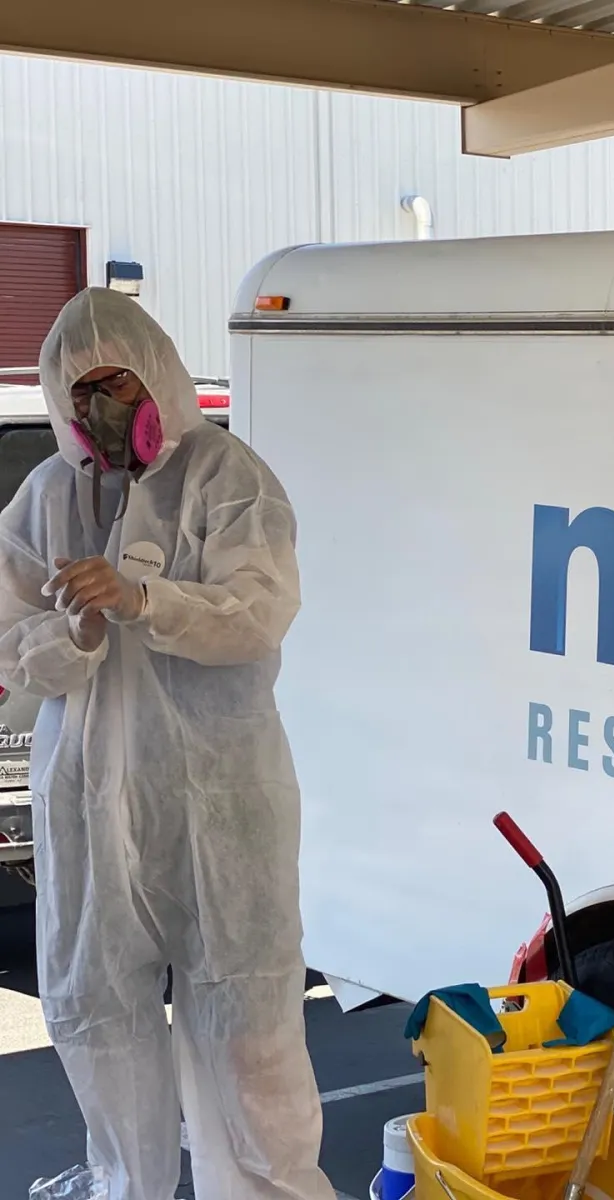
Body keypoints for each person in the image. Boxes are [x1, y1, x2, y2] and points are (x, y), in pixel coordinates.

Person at [0, 288, 336, 1200]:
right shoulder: (45, 500)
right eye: (84, 395)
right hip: (87, 810)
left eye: (119, 383)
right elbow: (10, 642)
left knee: (248, 1027)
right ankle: (126, 1185)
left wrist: (147, 601)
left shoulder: (225, 477)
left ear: (157, 374)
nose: (103, 410)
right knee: (97, 1022)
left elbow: (261, 611)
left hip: (220, 805)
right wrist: (69, 636)